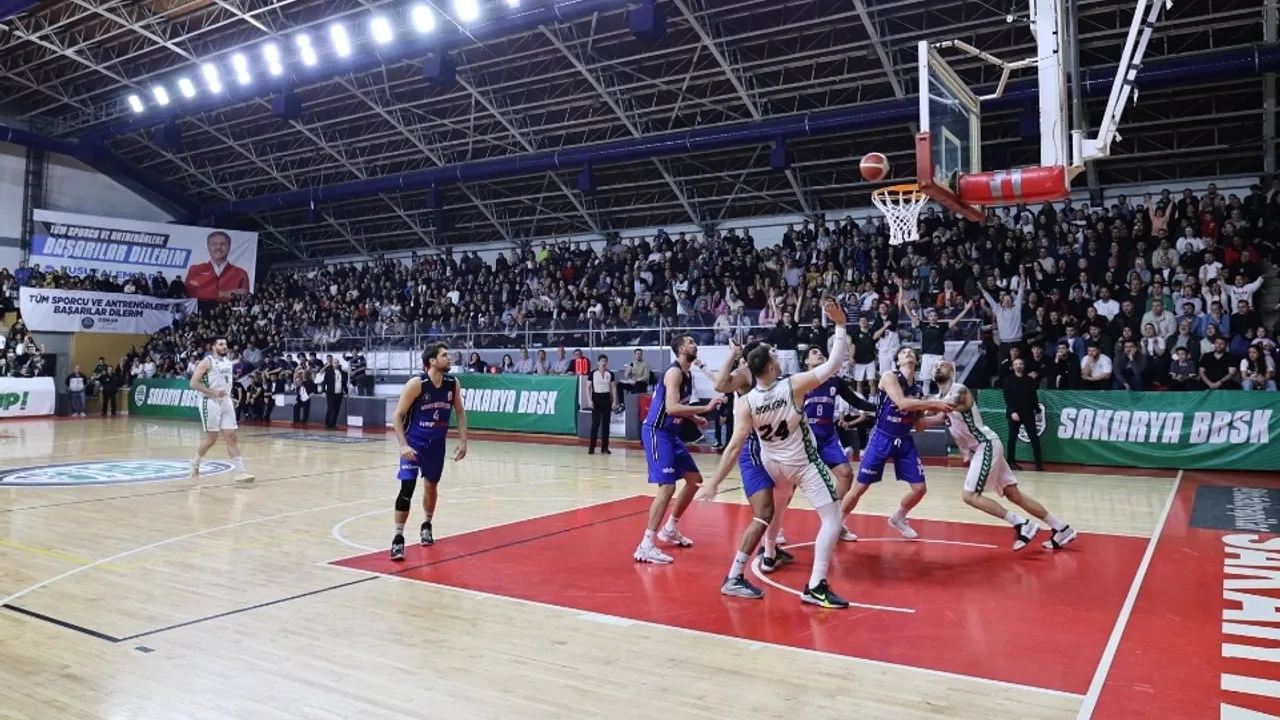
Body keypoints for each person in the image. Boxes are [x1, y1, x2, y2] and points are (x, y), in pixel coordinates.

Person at [700, 299, 851, 607]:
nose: (778, 356)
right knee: (832, 518)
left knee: (774, 513)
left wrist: (714, 482)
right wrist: (839, 325)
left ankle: (769, 555)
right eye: (774, 355)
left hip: (772, 464)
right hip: (802, 464)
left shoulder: (746, 401)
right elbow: (834, 364)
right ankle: (816, 585)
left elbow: (734, 445)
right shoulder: (792, 386)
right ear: (770, 366)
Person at [917, 361, 1078, 550]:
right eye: (935, 366)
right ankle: (1061, 528)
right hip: (982, 448)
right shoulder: (937, 399)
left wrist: (920, 404)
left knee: (969, 496)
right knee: (1013, 494)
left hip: (985, 444)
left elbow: (949, 405)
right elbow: (922, 422)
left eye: (943, 365)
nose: (938, 367)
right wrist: (912, 412)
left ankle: (1021, 524)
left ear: (952, 372)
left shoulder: (959, 389)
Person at [841, 345, 955, 539]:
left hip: (904, 440)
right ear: (898, 361)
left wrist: (940, 417)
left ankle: (898, 517)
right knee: (859, 488)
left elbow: (919, 425)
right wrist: (935, 403)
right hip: (881, 438)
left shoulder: (917, 391)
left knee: (919, 489)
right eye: (903, 352)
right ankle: (837, 523)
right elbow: (902, 403)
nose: (908, 353)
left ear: (916, 361)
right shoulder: (889, 377)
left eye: (911, 352)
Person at [633, 334, 722, 564]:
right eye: (690, 342)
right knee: (667, 487)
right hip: (657, 432)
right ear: (681, 349)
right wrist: (705, 409)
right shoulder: (673, 373)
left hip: (671, 434)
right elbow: (672, 408)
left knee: (694, 480)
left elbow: (679, 406)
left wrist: (693, 418)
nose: (695, 345)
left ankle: (670, 528)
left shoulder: (688, 374)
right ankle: (645, 546)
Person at [712, 338, 793, 574]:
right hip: (753, 446)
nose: (773, 351)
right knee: (765, 510)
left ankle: (770, 550)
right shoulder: (747, 374)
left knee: (783, 497)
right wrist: (733, 354)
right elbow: (720, 384)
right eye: (769, 349)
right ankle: (737, 573)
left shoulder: (774, 373)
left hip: (776, 445)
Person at [390, 343, 469, 561]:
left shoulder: (453, 383)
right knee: (407, 488)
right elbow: (397, 415)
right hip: (414, 444)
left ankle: (426, 524)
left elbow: (460, 412)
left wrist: (463, 441)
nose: (449, 358)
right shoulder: (417, 384)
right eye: (444, 355)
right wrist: (403, 445)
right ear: (432, 361)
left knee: (431, 486)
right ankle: (398, 538)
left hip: (437, 445)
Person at [801, 339, 876, 541]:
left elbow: (856, 401)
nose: (819, 354)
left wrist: (880, 408)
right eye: (814, 352)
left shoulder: (835, 381)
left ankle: (834, 522)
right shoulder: (799, 381)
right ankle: (774, 532)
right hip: (805, 439)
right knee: (788, 487)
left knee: (846, 474)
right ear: (806, 361)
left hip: (827, 436)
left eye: (820, 352)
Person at [188, 337, 255, 485]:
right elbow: (193, 383)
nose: (225, 346)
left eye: (225, 344)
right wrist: (213, 392)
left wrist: (230, 397)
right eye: (221, 344)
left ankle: (241, 473)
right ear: (213, 347)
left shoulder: (228, 362)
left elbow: (224, 382)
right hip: (210, 401)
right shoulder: (206, 362)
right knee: (211, 440)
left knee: (232, 437)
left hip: (226, 401)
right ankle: (195, 463)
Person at [1001, 357, 1044, 471]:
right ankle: (1011, 462)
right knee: (1012, 439)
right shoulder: (1008, 380)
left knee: (1034, 438)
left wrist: (1037, 410)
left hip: (1028, 412)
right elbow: (1007, 398)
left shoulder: (1029, 380)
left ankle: (1038, 464)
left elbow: (1034, 397)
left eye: (1020, 364)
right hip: (1014, 413)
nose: (1018, 366)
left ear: (1023, 366)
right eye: (1016, 364)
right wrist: (1012, 411)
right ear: (1013, 366)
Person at [184, 231, 252, 301]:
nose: (218, 247)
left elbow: (243, 297)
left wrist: (203, 291)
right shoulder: (195, 269)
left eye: (223, 244)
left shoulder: (241, 273)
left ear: (229, 246)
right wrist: (223, 294)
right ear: (208, 246)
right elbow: (190, 293)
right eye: (214, 244)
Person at [586, 354, 619, 454]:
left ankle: (605, 447)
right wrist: (589, 400)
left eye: (605, 361)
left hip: (606, 398)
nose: (603, 363)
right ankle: (591, 447)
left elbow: (613, 388)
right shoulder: (593, 373)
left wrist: (614, 401)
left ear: (607, 362)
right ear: (598, 362)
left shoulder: (610, 374)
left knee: (606, 424)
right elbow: (588, 387)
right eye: (601, 361)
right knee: (595, 423)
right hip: (596, 398)